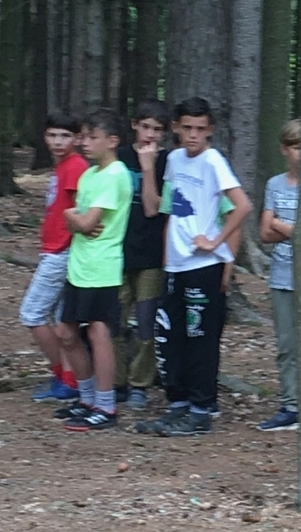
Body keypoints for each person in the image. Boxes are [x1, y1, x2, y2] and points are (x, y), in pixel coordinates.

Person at [136, 97, 253, 437]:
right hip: (176, 264)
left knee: (200, 337)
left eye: (200, 129)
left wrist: (217, 243)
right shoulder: (174, 159)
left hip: (204, 265)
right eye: (187, 128)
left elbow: (242, 206)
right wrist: (166, 260)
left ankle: (201, 411)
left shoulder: (213, 161)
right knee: (171, 337)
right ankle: (178, 404)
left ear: (210, 130)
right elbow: (167, 209)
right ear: (176, 127)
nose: (193, 135)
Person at [53, 109, 133, 431]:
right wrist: (73, 219)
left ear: (112, 141)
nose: (84, 143)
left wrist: (75, 219)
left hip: (102, 266)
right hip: (79, 265)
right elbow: (75, 219)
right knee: (66, 333)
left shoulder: (115, 174)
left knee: (99, 333)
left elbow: (86, 222)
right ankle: (87, 398)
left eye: (92, 137)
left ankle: (106, 405)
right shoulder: (90, 175)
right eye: (83, 137)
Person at [22, 111, 88, 402]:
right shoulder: (63, 166)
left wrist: (63, 245)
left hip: (62, 251)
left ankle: (62, 374)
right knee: (62, 319)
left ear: (77, 138)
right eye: (52, 135)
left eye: (65, 135)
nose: (58, 141)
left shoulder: (75, 166)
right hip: (55, 249)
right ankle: (70, 381)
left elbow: (79, 209)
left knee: (32, 313)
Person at [114, 99, 169, 411]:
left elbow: (152, 208)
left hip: (152, 255)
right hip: (117, 252)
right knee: (115, 319)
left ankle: (140, 383)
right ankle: (116, 380)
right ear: (135, 125)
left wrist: (148, 168)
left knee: (147, 322)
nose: (150, 135)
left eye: (157, 130)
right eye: (145, 127)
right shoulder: (119, 157)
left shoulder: (169, 163)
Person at [257, 120, 301, 432]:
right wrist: (294, 230)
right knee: (286, 345)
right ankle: (290, 405)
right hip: (282, 275)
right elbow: (264, 233)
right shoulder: (275, 185)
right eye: (296, 147)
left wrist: (280, 225)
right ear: (285, 150)